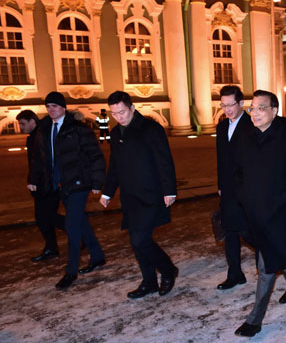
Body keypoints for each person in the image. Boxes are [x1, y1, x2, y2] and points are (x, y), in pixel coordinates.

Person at [232, 90, 286, 337]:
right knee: (274, 251)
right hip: (250, 210)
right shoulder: (246, 137)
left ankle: (254, 320)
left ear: (275, 110)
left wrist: (280, 202)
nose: (256, 113)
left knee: (265, 264)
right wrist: (241, 197)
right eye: (253, 108)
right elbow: (238, 171)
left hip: (276, 213)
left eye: (262, 108)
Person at [100, 91, 179, 299]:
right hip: (130, 196)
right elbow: (114, 166)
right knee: (137, 241)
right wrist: (108, 192)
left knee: (139, 239)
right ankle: (149, 281)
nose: (119, 117)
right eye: (114, 113)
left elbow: (164, 161)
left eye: (122, 112)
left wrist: (169, 189)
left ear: (132, 108)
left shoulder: (151, 129)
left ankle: (168, 269)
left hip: (151, 194)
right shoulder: (116, 133)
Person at [33, 92, 106, 290]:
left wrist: (98, 182)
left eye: (55, 106)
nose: (51, 110)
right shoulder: (45, 128)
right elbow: (40, 159)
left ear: (64, 108)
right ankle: (97, 256)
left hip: (79, 184)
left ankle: (71, 271)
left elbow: (95, 155)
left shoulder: (78, 129)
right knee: (80, 222)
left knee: (72, 226)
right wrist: (34, 179)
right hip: (59, 185)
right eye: (48, 106)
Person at [215, 85, 255, 290]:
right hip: (228, 190)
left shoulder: (252, 125)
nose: (227, 109)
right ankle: (235, 274)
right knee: (230, 231)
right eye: (223, 105)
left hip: (247, 190)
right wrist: (221, 185)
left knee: (249, 233)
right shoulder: (221, 127)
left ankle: (274, 264)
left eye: (231, 105)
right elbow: (221, 159)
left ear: (241, 103)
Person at [17, 110, 65, 262]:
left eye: (23, 123)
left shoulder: (40, 136)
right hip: (42, 184)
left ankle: (79, 233)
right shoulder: (34, 136)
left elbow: (40, 162)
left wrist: (33, 180)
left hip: (47, 184)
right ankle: (52, 247)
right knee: (44, 218)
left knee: (47, 217)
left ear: (33, 121)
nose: (20, 127)